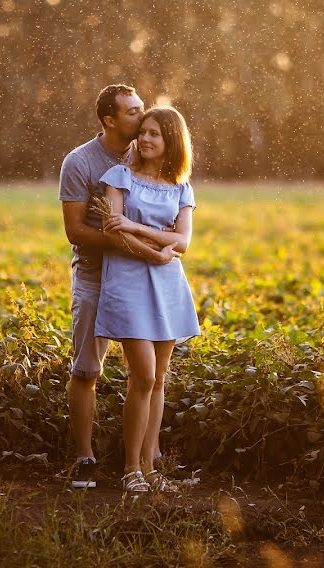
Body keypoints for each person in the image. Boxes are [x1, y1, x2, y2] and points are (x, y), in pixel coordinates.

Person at [59, 85, 180, 489]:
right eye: (132, 113)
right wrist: (149, 248)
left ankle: (148, 459)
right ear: (110, 120)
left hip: (143, 279)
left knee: (149, 375)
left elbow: (177, 229)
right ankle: (85, 456)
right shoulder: (81, 162)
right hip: (96, 276)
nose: (142, 120)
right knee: (88, 368)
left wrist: (150, 248)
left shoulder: (146, 154)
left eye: (143, 112)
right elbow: (75, 230)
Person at [95, 106, 200, 493]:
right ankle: (130, 469)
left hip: (168, 284)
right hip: (127, 283)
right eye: (144, 132)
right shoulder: (119, 177)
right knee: (143, 376)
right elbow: (114, 232)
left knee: (159, 381)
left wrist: (139, 227)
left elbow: (183, 242)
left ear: (172, 139)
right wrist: (159, 238)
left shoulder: (181, 187)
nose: (146, 139)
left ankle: (151, 469)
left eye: (156, 133)